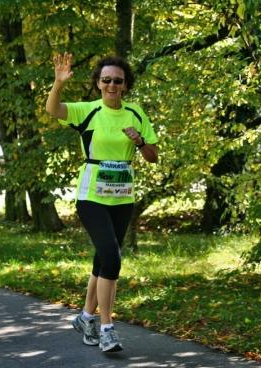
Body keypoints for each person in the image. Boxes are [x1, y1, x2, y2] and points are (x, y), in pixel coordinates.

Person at [46, 52, 158, 352]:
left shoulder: (136, 114)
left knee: (103, 258)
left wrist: (140, 142)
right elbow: (53, 109)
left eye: (117, 81)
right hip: (91, 195)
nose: (111, 85)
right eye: (106, 80)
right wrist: (58, 84)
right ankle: (107, 327)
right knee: (111, 256)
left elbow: (153, 156)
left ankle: (85, 317)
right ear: (98, 83)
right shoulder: (89, 111)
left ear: (125, 85)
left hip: (122, 198)